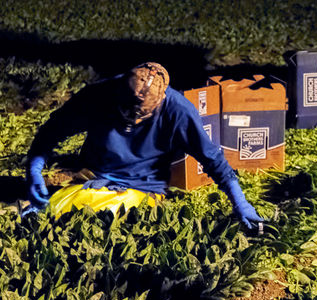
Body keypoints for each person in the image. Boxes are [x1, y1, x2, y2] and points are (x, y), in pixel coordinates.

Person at [24, 61, 264, 227]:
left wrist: (240, 202)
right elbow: (53, 129)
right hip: (93, 176)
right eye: (124, 113)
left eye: (139, 117)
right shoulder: (97, 95)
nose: (131, 121)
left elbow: (212, 158)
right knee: (51, 211)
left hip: (142, 185)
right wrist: (34, 169)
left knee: (99, 219)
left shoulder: (178, 111)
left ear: (159, 104)